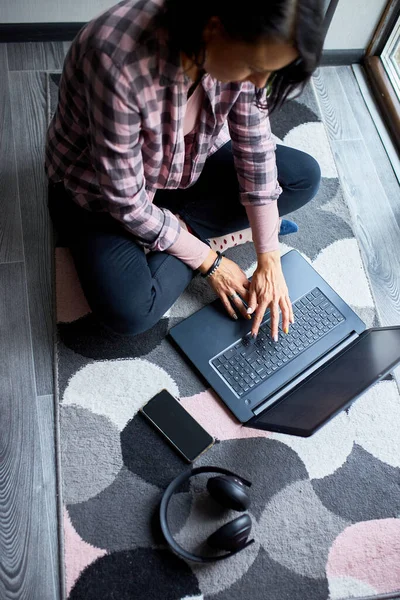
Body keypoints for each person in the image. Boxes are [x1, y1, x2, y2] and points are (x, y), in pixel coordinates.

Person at [45, 0, 323, 341]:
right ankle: (202, 235)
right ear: (214, 29)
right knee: (132, 310)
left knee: (302, 176)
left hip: (181, 167)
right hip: (98, 193)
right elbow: (127, 203)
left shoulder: (235, 46)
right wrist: (210, 262)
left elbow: (256, 149)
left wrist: (269, 257)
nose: (259, 81)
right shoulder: (115, 62)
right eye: (253, 66)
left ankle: (182, 229)